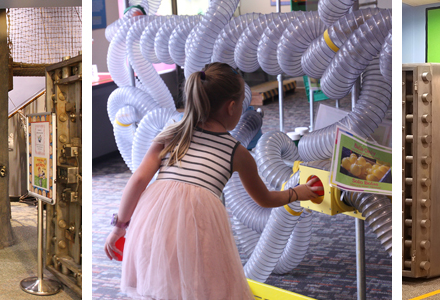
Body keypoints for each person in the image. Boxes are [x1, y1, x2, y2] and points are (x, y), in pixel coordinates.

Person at [105, 62, 324, 299]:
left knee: (164, 285)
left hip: (154, 219)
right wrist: (298, 192)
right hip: (198, 223)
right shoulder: (236, 152)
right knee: (204, 287)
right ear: (231, 107)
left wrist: (119, 227)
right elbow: (265, 199)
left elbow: (137, 180)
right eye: (241, 104)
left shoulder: (170, 134)